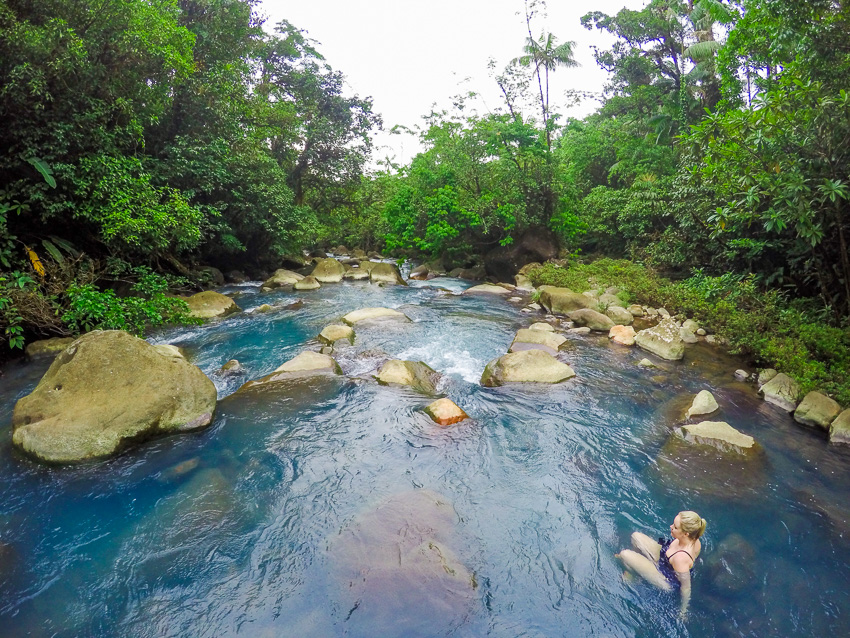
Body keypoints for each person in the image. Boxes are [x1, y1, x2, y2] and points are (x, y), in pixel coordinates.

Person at [615, 511, 707, 620]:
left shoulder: (681, 558)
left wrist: (683, 611)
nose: (671, 527)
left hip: (665, 578)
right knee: (636, 537)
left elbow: (686, 587)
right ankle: (635, 565)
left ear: (686, 533)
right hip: (665, 558)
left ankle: (633, 573)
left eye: (675, 527)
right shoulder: (693, 538)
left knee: (625, 554)